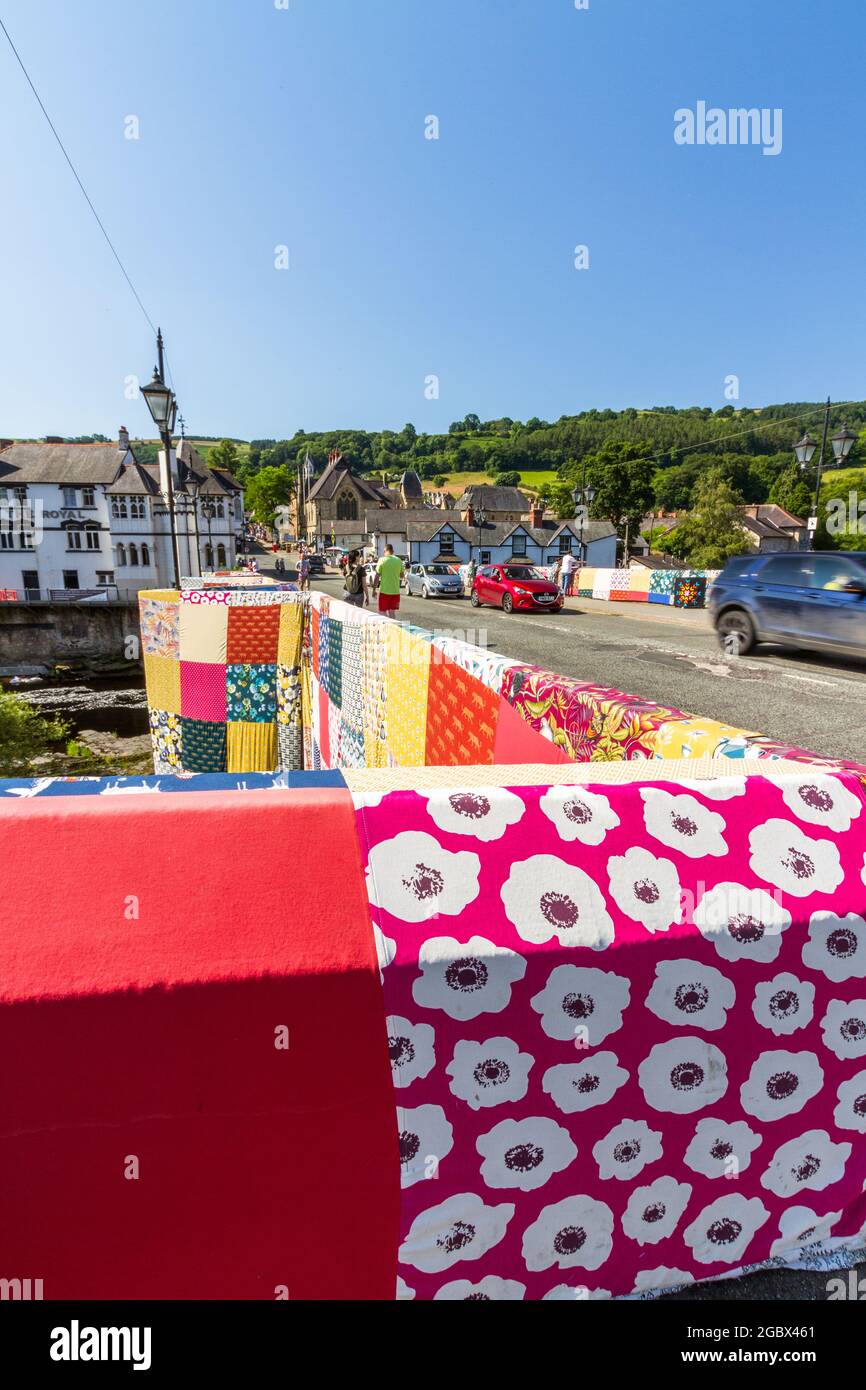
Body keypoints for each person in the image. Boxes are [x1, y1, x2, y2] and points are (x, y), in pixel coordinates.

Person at [374, 544, 404, 616]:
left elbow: (377, 576)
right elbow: (402, 575)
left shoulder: (382, 560)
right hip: (395, 592)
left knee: (382, 612)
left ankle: (385, 627)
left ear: (385, 550)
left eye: (384, 552)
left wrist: (374, 589)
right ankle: (392, 626)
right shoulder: (399, 560)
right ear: (392, 551)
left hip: (384, 591)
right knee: (392, 613)